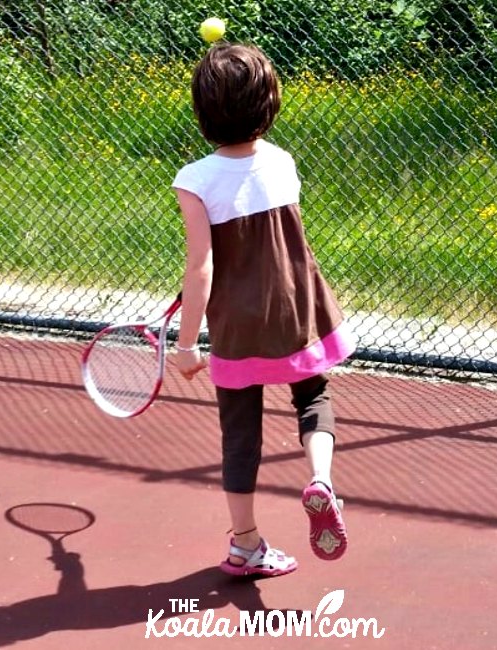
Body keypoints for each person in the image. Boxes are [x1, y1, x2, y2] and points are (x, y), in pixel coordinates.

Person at [171, 42, 356, 577]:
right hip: (296, 308)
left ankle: (245, 544)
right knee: (314, 395)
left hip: (236, 322)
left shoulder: (194, 180)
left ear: (202, 111)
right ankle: (320, 479)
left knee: (239, 430)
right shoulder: (282, 162)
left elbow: (201, 266)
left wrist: (186, 346)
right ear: (270, 103)